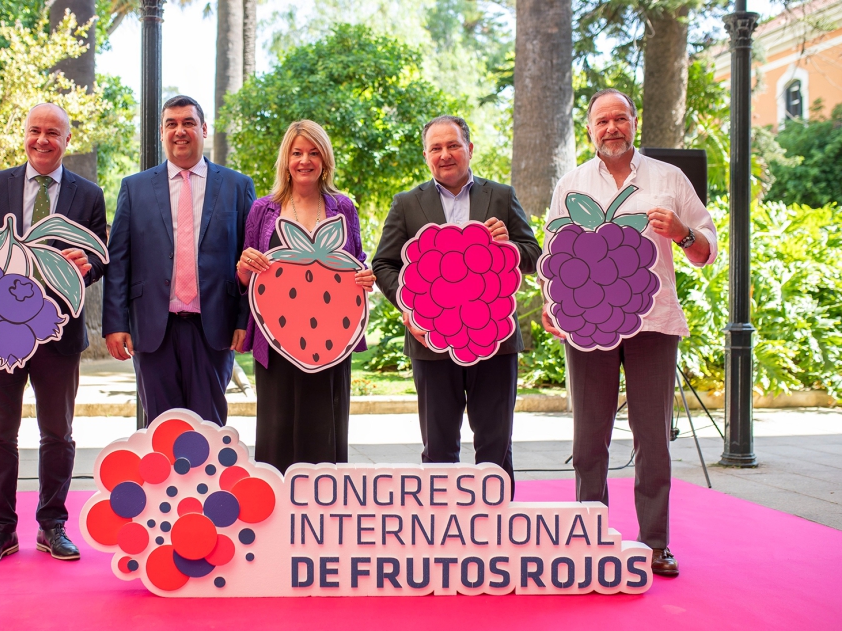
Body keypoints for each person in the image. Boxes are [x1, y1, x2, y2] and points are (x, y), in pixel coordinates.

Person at [542, 88, 718, 578]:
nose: (612, 127)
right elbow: (556, 256)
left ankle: (656, 543)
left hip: (654, 323)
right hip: (587, 327)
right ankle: (587, 536)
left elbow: (706, 250)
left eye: (620, 118)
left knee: (653, 439)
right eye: (603, 121)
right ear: (590, 129)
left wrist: (683, 232)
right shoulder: (571, 184)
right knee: (587, 439)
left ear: (634, 123)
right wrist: (552, 306)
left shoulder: (669, 179)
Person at [0, 103, 107, 566]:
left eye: (53, 133)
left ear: (68, 140)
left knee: (58, 434)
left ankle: (52, 525)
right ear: (24, 135)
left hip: (57, 331)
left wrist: (88, 267)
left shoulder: (89, 194)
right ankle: (1, 530)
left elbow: (100, 255)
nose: (42, 140)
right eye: (34, 131)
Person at [372, 115, 541, 493]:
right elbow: (383, 263)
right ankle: (442, 534)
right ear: (426, 155)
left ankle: (498, 528)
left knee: (496, 447)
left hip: (494, 343)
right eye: (436, 148)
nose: (445, 154)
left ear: (469, 149)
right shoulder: (406, 204)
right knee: (438, 450)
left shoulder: (500, 195)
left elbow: (532, 254)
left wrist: (508, 247)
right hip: (430, 344)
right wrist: (409, 307)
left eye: (453, 145)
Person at [102, 95, 256, 426]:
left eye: (188, 122)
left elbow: (250, 257)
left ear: (203, 128)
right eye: (171, 124)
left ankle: (208, 481)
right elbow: (119, 261)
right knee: (160, 430)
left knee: (209, 429)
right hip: (153, 328)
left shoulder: (237, 186)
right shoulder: (135, 188)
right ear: (161, 133)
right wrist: (115, 323)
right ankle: (161, 482)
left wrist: (245, 321)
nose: (180, 131)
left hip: (213, 327)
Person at [236, 120, 375, 474]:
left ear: (325, 159)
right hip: (275, 339)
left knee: (324, 434)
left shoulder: (343, 207)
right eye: (297, 153)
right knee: (277, 432)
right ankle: (278, 518)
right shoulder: (262, 210)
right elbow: (245, 277)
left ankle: (325, 516)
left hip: (332, 340)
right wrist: (243, 268)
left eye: (313, 152)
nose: (305, 160)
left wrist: (365, 276)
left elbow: (355, 263)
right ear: (286, 160)